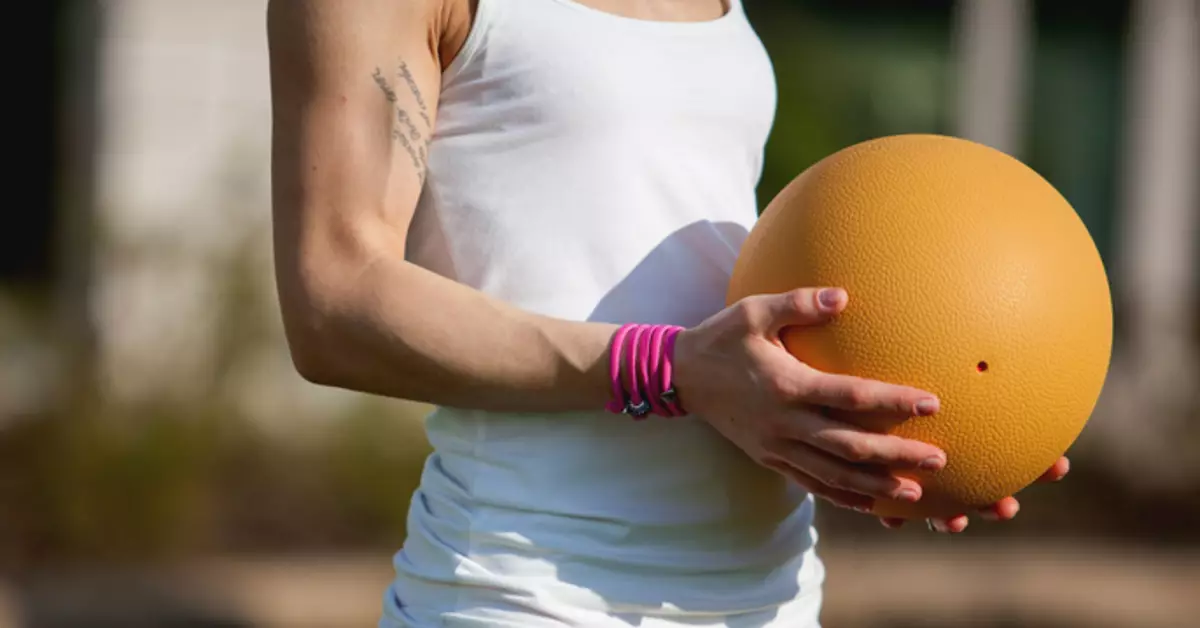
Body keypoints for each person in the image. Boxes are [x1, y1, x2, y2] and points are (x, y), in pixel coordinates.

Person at [266, 0, 1070, 625]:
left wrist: (878, 432)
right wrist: (670, 371)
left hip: (772, 601)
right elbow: (335, 299)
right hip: (524, 596)